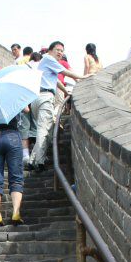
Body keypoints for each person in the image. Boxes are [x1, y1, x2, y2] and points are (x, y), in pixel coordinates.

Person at [30, 41, 86, 171]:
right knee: (44, 130)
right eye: (58, 50)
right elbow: (66, 72)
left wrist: (66, 92)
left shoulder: (45, 62)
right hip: (45, 97)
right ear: (50, 50)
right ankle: (39, 162)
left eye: (62, 51)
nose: (60, 53)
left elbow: (55, 81)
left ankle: (32, 160)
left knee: (45, 128)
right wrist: (83, 77)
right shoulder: (49, 59)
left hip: (37, 98)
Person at [0, 114, 24, 227]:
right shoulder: (10, 103)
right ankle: (16, 213)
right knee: (16, 178)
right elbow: (26, 110)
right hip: (12, 135)